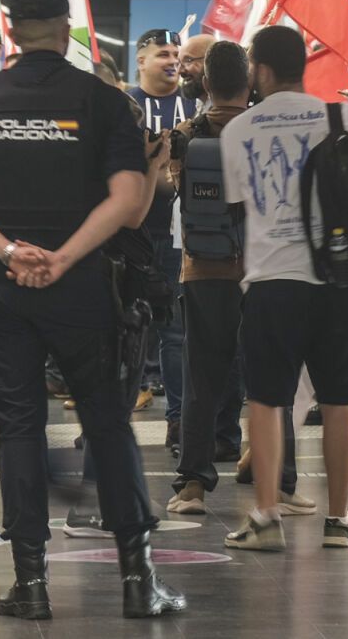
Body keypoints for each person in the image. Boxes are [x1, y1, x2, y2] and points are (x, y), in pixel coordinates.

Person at [0, 0, 184, 620]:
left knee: (18, 428)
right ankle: (137, 580)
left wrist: (9, 251)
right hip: (87, 290)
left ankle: (31, 585)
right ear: (67, 27)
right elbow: (128, 206)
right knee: (104, 420)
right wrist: (66, 256)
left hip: (2, 289)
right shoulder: (102, 102)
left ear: (10, 29)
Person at [219, 24, 348, 554]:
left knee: (266, 400)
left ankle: (266, 516)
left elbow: (242, 204)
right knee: (340, 400)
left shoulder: (238, 130)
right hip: (339, 281)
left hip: (270, 281)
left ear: (258, 70)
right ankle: (340, 519)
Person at [166, 40, 260, 514]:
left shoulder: (186, 132)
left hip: (202, 269)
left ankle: (193, 485)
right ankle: (276, 476)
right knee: (268, 376)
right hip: (263, 270)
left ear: (205, 83)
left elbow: (170, 188)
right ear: (250, 81)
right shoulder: (265, 130)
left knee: (200, 379)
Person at [127, 29, 191, 431]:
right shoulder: (124, 104)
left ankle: (179, 421)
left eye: (177, 54)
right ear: (141, 60)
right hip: (131, 231)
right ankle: (109, 420)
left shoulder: (195, 103)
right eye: (162, 54)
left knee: (175, 331)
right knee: (125, 330)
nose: (172, 61)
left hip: (177, 235)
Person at [179, 34, 214, 107]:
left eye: (188, 60)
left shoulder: (228, 112)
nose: (180, 71)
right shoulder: (200, 107)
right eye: (179, 63)